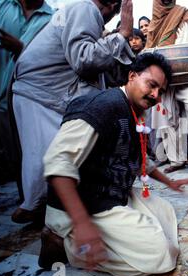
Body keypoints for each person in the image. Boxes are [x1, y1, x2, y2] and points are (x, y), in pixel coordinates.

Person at [40, 53, 188, 276]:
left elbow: (140, 158)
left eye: (160, 91)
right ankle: (63, 242)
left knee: (165, 211)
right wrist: (83, 225)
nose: (156, 96)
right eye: (151, 85)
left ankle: (116, 234)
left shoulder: (131, 111)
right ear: (132, 76)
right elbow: (58, 162)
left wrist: (169, 182)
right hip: (86, 204)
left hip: (112, 195)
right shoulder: (102, 106)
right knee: (161, 255)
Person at [10, 0, 135, 225]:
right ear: (112, 4)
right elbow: (84, 60)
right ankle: (41, 209)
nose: (110, 17)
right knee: (52, 157)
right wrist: (123, 33)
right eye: (114, 10)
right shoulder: (86, 8)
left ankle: (43, 208)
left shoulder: (80, 11)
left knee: (53, 156)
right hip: (40, 94)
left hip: (43, 93)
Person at [0, 0, 54, 179]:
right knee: (14, 159)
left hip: (33, 102)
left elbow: (51, 61)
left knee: (35, 160)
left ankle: (32, 203)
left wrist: (22, 49)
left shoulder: (53, 19)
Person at [147, 0, 188, 174]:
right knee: (166, 116)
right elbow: (150, 49)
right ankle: (176, 159)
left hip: (186, 72)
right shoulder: (153, 24)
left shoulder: (185, 14)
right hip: (162, 77)